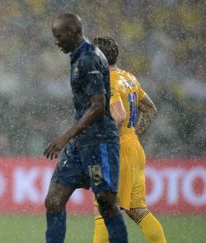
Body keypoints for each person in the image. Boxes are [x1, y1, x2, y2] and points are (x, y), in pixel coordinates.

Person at [44, 12, 128, 243]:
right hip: (81, 144)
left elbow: (98, 106)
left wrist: (64, 137)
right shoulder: (78, 55)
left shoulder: (89, 59)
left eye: (59, 36)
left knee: (107, 203)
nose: (56, 41)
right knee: (54, 200)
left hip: (99, 141)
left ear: (72, 32)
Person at [92, 36, 166, 243]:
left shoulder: (107, 80)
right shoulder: (128, 77)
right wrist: (132, 134)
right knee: (138, 211)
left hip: (117, 151)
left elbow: (119, 115)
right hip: (133, 147)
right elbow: (150, 109)